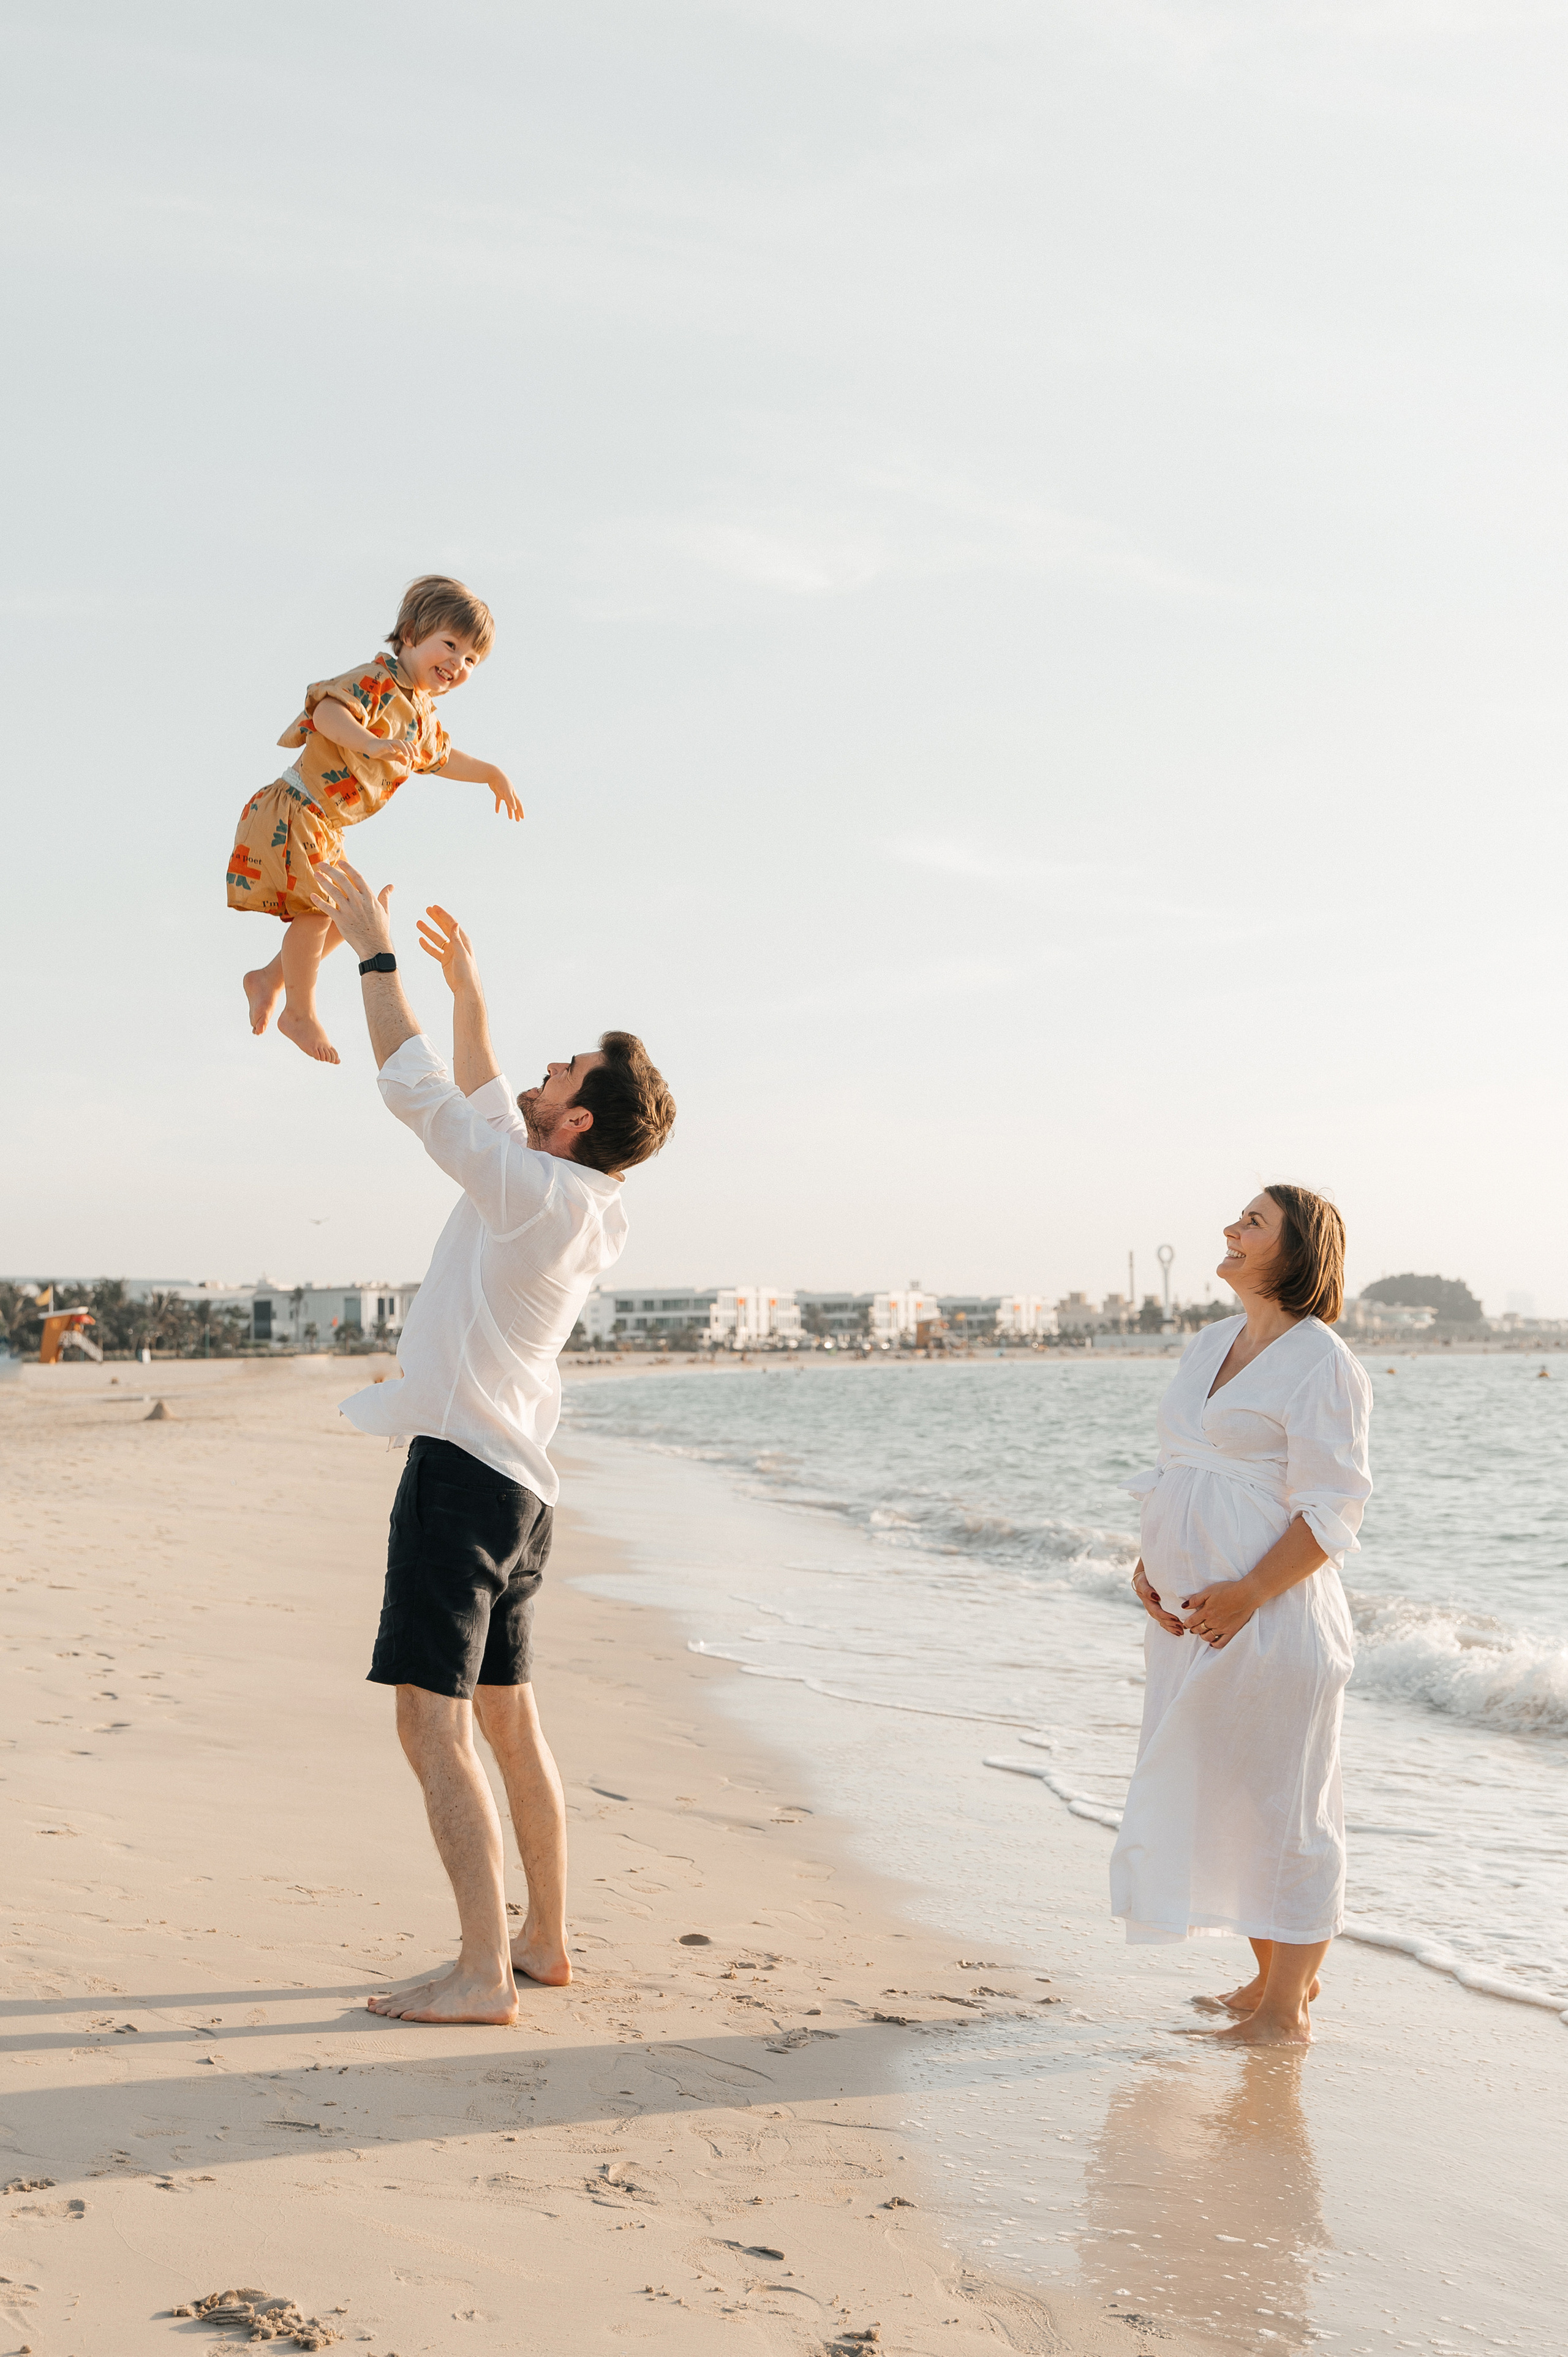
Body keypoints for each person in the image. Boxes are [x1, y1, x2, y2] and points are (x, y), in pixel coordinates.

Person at [311, 856, 676, 2026]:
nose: (543, 1071)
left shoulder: (532, 1191)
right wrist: (470, 994)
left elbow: (418, 1090)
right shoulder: (582, 1197)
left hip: (466, 1479)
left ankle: (481, 1972)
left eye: (563, 1071)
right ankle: (547, 1941)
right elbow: (483, 1098)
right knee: (510, 1718)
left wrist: (376, 948)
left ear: (574, 1120)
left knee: (431, 1719)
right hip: (522, 1490)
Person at [1108, 1185, 1372, 2046]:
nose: (1230, 1228)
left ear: (1296, 1252)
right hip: (1191, 1620)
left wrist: (1250, 1591)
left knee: (1285, 1804)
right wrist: (1153, 1563)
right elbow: (1181, 1463)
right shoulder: (1212, 1339)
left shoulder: (1323, 1361)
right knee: (1225, 1794)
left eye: (1254, 1221)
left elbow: (1333, 1507)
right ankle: (1267, 1978)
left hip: (1273, 1618)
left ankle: (1288, 2011)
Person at [228, 575, 522, 1067]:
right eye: (450, 645)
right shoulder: (378, 681)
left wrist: (490, 773)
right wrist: (370, 742)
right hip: (297, 809)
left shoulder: (422, 716)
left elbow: (444, 759)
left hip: (324, 825)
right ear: (410, 634)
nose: (457, 663)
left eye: (471, 659)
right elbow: (325, 712)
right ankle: (298, 1012)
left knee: (352, 915)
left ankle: (269, 978)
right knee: (320, 912)